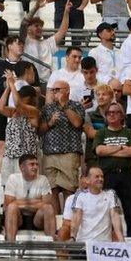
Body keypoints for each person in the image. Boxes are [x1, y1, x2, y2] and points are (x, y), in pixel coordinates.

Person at [38, 79, 85, 212]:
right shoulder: (47, 108)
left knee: (69, 189)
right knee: (51, 190)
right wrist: (50, 123)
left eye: (57, 90)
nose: (54, 93)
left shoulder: (76, 106)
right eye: (53, 90)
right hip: (49, 153)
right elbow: (40, 131)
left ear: (67, 91)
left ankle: (67, 222)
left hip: (69, 153)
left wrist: (64, 106)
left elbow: (77, 123)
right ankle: (56, 222)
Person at [93, 101, 131, 235]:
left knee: (130, 212)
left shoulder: (130, 133)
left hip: (127, 176)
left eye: (116, 112)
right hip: (107, 176)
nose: (112, 115)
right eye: (109, 113)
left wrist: (110, 151)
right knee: (107, 211)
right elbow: (99, 151)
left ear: (122, 115)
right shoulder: (101, 133)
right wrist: (120, 147)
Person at [3, 154, 56, 241]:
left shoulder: (43, 179)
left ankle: (51, 247)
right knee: (12, 208)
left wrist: (19, 202)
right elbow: (9, 203)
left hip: (37, 219)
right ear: (22, 167)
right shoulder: (13, 178)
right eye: (31, 164)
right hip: (18, 218)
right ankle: (11, 246)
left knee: (48, 208)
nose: (35, 167)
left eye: (36, 164)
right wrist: (37, 202)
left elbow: (46, 203)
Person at [65, 166, 124, 243]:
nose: (100, 179)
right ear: (87, 180)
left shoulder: (111, 194)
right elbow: (76, 217)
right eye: (97, 177)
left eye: (102, 177)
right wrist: (73, 237)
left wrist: (121, 239)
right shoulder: (80, 195)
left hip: (104, 245)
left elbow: (115, 217)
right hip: (84, 243)